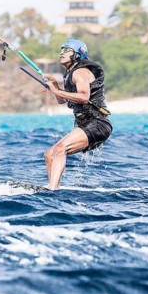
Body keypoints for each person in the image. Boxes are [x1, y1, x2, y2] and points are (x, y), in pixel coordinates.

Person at [43, 39, 112, 190]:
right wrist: (55, 85)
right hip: (85, 124)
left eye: (66, 50)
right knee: (49, 155)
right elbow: (62, 100)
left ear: (77, 54)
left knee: (60, 148)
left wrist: (55, 90)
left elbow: (83, 97)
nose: (62, 53)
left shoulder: (81, 72)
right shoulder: (70, 74)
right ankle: (53, 188)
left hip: (98, 123)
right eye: (61, 50)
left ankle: (52, 188)